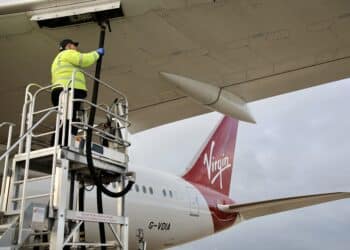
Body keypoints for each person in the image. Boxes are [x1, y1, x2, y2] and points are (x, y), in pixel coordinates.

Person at [51, 38, 104, 145]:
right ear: (69, 46)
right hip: (69, 91)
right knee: (70, 118)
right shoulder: (68, 53)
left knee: (64, 118)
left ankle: (57, 142)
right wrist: (97, 53)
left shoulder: (57, 60)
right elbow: (83, 60)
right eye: (74, 46)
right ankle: (65, 142)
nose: (76, 48)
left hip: (58, 92)